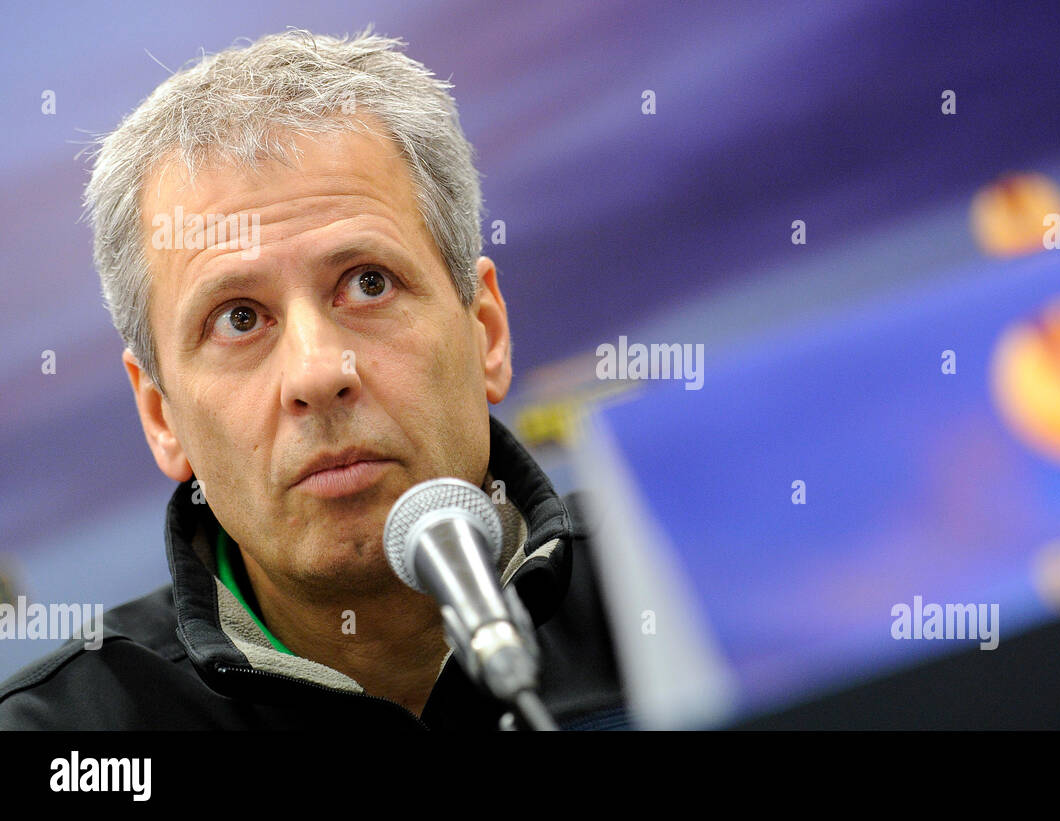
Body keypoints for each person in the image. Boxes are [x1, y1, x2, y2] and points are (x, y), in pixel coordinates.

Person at [0, 28, 629, 730]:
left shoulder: (693, 581)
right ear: (160, 415)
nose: (319, 372)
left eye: (367, 283)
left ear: (486, 332)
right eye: (239, 319)